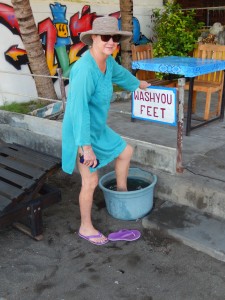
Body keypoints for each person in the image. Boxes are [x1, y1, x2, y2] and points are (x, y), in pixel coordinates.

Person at [62, 16, 150, 245]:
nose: (111, 42)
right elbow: (78, 111)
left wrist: (137, 84)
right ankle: (85, 226)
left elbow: (120, 73)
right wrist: (86, 148)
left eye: (115, 38)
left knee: (126, 151)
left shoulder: (108, 62)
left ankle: (120, 195)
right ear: (93, 38)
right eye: (105, 37)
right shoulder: (84, 70)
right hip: (82, 132)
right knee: (90, 181)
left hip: (98, 128)